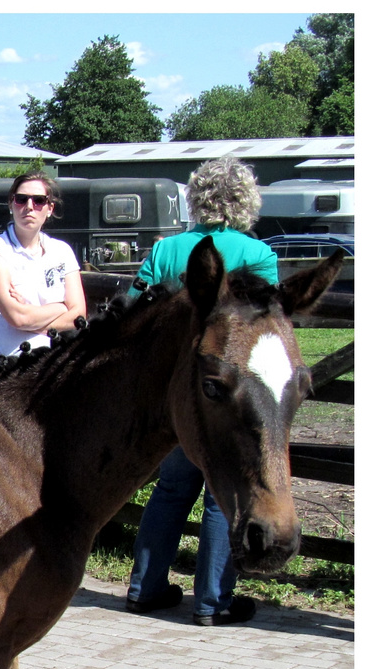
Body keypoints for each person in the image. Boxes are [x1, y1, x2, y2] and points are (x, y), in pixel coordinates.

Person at [125, 156, 280, 627]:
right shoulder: (259, 256)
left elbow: (134, 309)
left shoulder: (167, 250)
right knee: (220, 494)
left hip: (174, 393)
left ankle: (144, 587)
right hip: (227, 396)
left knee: (171, 487)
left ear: (198, 198)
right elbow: (265, 332)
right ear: (246, 202)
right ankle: (213, 600)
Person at [0, 172, 85, 364]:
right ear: (11, 204)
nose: (29, 207)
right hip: (9, 368)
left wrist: (32, 317)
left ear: (50, 208)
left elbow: (78, 316)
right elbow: (17, 317)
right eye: (21, 199)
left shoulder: (63, 251)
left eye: (38, 201)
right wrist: (61, 307)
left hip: (57, 365)